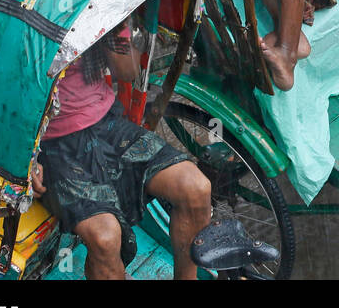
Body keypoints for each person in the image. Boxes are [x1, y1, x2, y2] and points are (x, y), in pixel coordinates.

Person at [31, 14, 212, 280]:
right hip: (50, 146)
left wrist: (114, 23)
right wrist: (25, 157)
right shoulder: (24, 9)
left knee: (196, 188)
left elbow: (127, 71)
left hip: (109, 126)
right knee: (105, 238)